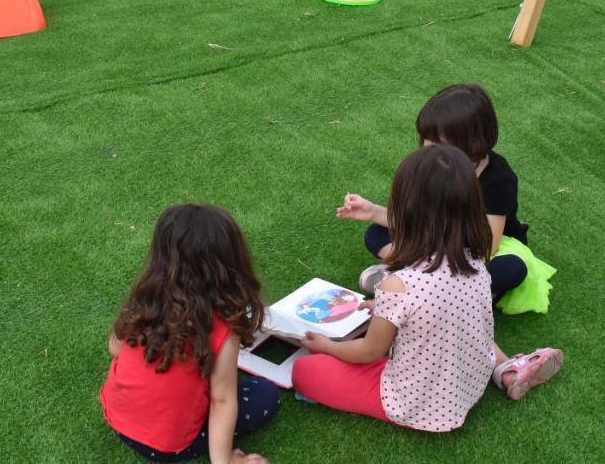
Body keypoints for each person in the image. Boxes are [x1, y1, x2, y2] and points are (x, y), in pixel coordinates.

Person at [294, 145, 563, 430]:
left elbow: (370, 352)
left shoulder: (399, 284)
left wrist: (326, 346)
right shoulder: (475, 262)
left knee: (305, 371)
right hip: (470, 386)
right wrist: (382, 308)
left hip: (416, 404)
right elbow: (440, 310)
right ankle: (506, 369)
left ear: (406, 211)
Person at [338, 83, 555, 314]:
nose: (426, 150)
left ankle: (427, 285)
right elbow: (414, 218)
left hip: (474, 250)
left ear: (472, 144)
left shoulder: (498, 178)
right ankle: (424, 283)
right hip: (434, 240)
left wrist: (440, 252)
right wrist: (373, 212)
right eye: (425, 141)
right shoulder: (429, 165)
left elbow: (487, 247)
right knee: (376, 233)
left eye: (437, 145)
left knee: (513, 268)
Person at [101, 204, 277, 464]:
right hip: (167, 445)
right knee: (264, 393)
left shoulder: (146, 298)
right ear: (230, 261)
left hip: (116, 417)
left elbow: (115, 348)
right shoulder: (223, 328)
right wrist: (226, 460)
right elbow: (222, 400)